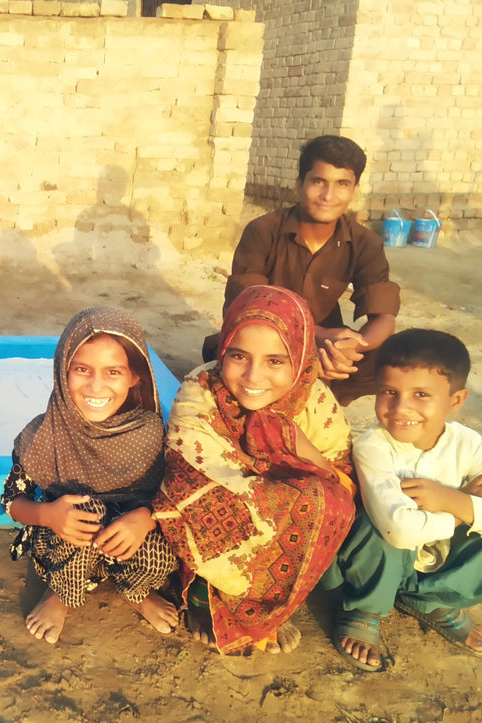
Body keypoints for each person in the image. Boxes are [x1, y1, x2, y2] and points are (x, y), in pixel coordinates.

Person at [155, 285, 356, 655]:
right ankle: (204, 598)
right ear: (222, 349)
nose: (253, 376)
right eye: (238, 356)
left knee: (330, 503)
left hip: (281, 511)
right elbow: (190, 476)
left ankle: (269, 610)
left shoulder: (315, 401)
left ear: (300, 357)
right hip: (227, 510)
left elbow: (341, 478)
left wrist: (295, 446)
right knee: (209, 502)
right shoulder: (200, 391)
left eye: (275, 361)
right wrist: (272, 474)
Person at [1, 307, 179, 644]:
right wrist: (48, 515)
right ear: (61, 372)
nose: (96, 386)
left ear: (135, 377)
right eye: (81, 370)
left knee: (163, 549)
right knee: (85, 510)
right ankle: (59, 596)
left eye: (113, 371)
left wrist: (146, 519)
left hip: (126, 545)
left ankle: (136, 593)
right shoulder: (44, 434)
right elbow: (11, 500)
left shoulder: (151, 433)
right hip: (64, 545)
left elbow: (176, 496)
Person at [202, 135, 400, 406]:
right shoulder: (263, 231)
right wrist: (316, 337)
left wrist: (352, 347)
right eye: (319, 182)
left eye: (341, 184)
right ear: (299, 185)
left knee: (396, 356)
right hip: (265, 338)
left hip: (328, 346)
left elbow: (385, 317)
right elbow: (247, 308)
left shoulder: (365, 242)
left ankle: (318, 391)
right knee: (226, 355)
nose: (328, 196)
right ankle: (304, 386)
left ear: (354, 190)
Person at [330, 329, 482, 671]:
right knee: (375, 521)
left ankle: (430, 598)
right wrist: (460, 508)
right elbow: (397, 529)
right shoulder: (374, 446)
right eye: (389, 392)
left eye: (422, 394)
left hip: (435, 553)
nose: (401, 408)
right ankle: (365, 606)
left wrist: (452, 501)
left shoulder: (469, 444)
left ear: (455, 401)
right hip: (384, 554)